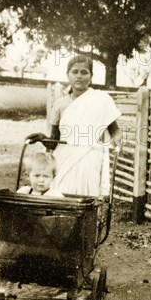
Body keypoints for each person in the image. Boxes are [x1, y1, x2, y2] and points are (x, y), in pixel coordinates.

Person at [28, 55, 122, 196]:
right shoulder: (60, 104)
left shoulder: (101, 100)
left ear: (91, 77)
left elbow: (114, 130)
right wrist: (42, 138)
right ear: (68, 75)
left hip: (90, 158)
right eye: (75, 72)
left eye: (84, 72)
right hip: (64, 159)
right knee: (59, 197)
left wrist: (117, 138)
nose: (79, 76)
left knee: (86, 200)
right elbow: (54, 142)